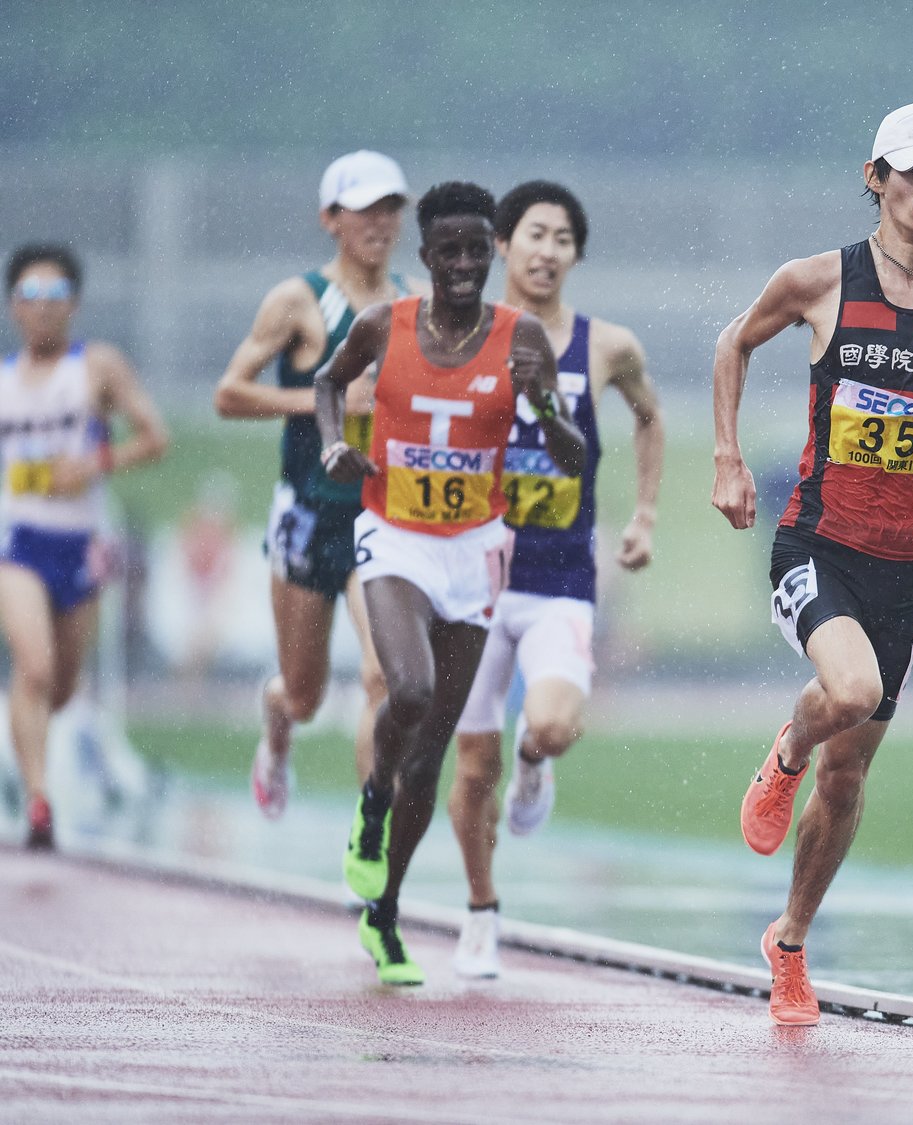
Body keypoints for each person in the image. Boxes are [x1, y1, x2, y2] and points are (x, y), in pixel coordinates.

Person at [711, 102, 913, 1025]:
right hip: (816, 541)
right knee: (845, 693)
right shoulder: (818, 281)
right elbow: (734, 342)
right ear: (875, 176)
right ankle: (784, 749)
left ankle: (791, 944)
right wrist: (728, 458)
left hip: (905, 565)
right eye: (912, 171)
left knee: (849, 779)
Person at [315, 181, 585, 985]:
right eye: (450, 250)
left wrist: (548, 404)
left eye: (477, 249)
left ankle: (386, 910)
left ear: (488, 252)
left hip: (475, 550)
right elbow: (330, 384)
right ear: (425, 256)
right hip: (395, 536)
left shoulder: (520, 335)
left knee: (430, 756)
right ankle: (371, 806)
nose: (465, 263)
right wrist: (336, 444)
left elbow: (571, 454)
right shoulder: (382, 324)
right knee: (409, 688)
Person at [446, 181, 664, 978]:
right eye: (533, 234)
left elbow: (648, 414)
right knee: (472, 767)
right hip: (469, 583)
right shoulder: (458, 338)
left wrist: (643, 514)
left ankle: (535, 758)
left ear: (575, 254)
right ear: (501, 246)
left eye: (562, 238)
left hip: (560, 576)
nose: (546, 250)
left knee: (554, 724)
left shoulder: (606, 346)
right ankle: (479, 911)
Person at [214, 150, 417, 820]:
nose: (379, 222)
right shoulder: (300, 300)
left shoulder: (413, 302)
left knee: (382, 676)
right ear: (330, 218)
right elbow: (230, 393)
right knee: (305, 696)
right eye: (364, 209)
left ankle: (372, 838)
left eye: (390, 207)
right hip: (308, 514)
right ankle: (276, 727)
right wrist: (325, 400)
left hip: (378, 516)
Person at [1, 244, 170, 848]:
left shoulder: (96, 367)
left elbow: (156, 437)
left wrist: (98, 460)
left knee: (64, 685)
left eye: (55, 296)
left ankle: (28, 753)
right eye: (31, 296)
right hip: (17, 540)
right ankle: (39, 801)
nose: (43, 309)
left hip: (80, 541)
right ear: (14, 305)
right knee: (36, 666)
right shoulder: (3, 381)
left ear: (72, 304)